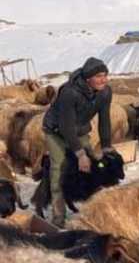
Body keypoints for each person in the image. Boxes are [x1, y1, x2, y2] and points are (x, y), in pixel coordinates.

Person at [42, 57, 114, 228]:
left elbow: (105, 120)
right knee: (59, 169)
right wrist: (80, 154)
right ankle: (58, 217)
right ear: (88, 78)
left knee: (93, 169)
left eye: (105, 75)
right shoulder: (69, 92)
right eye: (98, 76)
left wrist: (106, 146)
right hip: (57, 132)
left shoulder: (105, 92)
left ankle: (92, 212)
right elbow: (66, 127)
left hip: (80, 130)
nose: (103, 79)